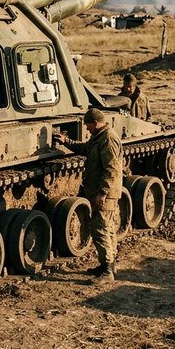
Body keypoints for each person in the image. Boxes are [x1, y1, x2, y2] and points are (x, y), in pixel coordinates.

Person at [53, 108, 123, 283]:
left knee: (100, 229)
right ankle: (109, 265)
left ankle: (107, 271)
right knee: (107, 228)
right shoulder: (99, 136)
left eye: (88, 125)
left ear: (95, 123)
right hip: (101, 190)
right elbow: (85, 148)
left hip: (105, 192)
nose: (86, 128)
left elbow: (112, 169)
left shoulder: (108, 138)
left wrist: (103, 192)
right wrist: (67, 141)